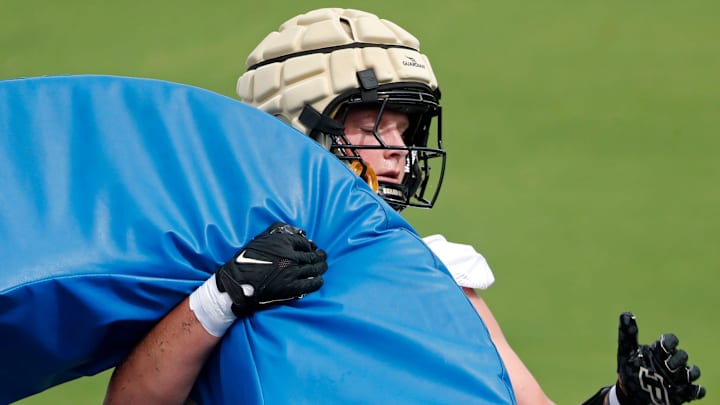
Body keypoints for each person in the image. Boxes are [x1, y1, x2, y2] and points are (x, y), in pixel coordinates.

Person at [104, 8, 705, 405]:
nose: (401, 154)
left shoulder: (439, 271)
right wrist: (222, 297)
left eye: (406, 131)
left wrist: (621, 401)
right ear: (294, 134)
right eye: (374, 128)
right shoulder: (214, 268)